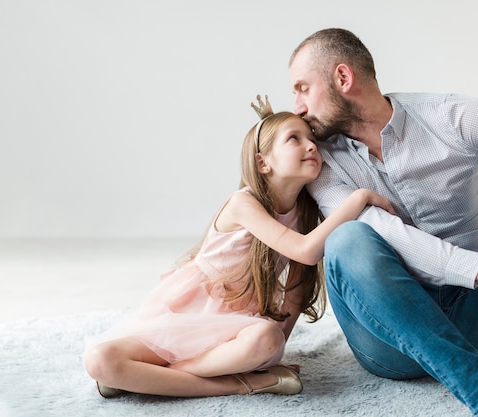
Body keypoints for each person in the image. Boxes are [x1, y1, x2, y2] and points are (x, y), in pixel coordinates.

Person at [288, 28, 478, 417]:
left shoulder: (452, 115)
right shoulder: (322, 161)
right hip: (389, 342)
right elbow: (389, 235)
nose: (297, 106)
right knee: (346, 240)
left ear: (343, 78)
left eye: (303, 88)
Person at [83, 95, 394, 399]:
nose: (311, 144)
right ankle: (240, 384)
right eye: (294, 139)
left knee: (268, 338)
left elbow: (296, 291)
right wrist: (358, 198)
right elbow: (304, 250)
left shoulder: (305, 213)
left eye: (311, 138)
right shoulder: (242, 203)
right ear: (263, 163)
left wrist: (270, 355)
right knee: (99, 360)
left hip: (237, 327)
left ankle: (156, 377)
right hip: (191, 312)